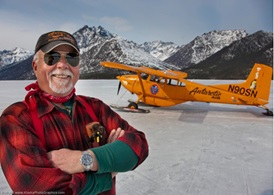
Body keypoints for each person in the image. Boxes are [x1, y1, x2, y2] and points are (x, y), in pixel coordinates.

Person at [0, 31, 149, 194]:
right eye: (52, 57)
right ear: (35, 66)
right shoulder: (16, 118)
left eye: (72, 57)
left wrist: (86, 159)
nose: (63, 64)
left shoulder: (95, 108)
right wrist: (108, 169)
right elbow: (34, 187)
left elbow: (138, 145)